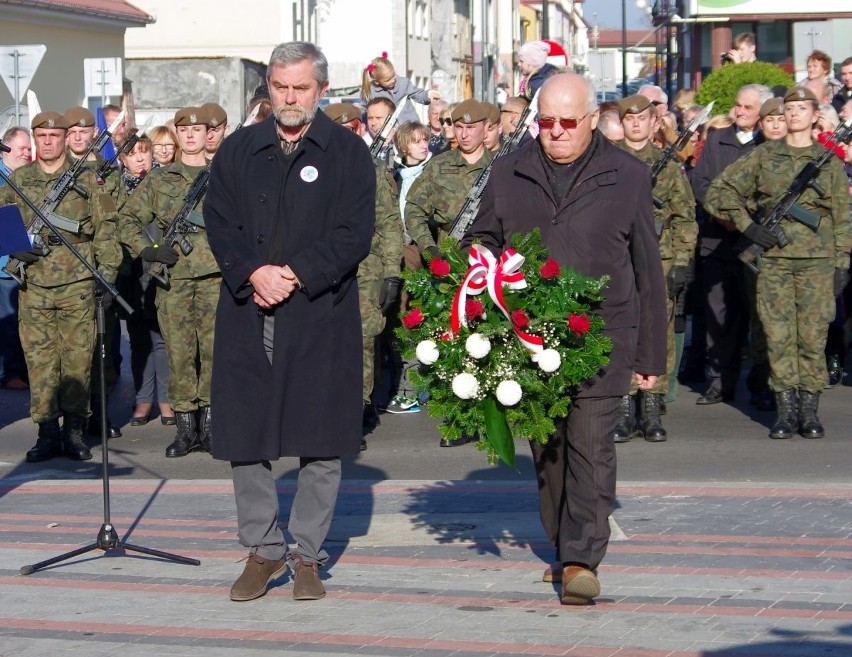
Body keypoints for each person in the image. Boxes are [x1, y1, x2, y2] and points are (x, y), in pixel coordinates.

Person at [463, 73, 667, 604]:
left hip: (603, 334)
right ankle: (562, 543)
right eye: (545, 121)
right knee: (548, 450)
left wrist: (651, 355)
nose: (554, 132)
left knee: (592, 449)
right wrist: (480, 260)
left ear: (594, 120)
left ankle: (581, 558)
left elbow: (649, 271)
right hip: (527, 337)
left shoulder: (628, 175)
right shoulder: (509, 170)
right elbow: (482, 235)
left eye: (566, 122)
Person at [204, 41, 375, 603]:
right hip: (247, 309)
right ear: (269, 88)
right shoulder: (237, 149)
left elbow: (355, 233)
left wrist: (296, 274)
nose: (290, 98)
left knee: (320, 437)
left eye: (301, 88)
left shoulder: (348, 153)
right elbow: (219, 222)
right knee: (245, 434)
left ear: (321, 89)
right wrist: (253, 272)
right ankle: (262, 549)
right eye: (280, 87)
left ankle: (305, 554)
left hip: (318, 311)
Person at [704, 86, 852, 439]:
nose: (795, 114)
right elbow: (718, 192)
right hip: (773, 262)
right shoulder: (763, 156)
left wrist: (842, 263)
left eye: (802, 108)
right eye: (790, 108)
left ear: (815, 115)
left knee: (813, 337)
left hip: (817, 262)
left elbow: (842, 217)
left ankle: (809, 412)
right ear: (782, 115)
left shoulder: (828, 162)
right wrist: (750, 228)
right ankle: (785, 413)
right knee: (778, 335)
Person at [0, 111, 121, 463]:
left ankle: (74, 431)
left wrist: (107, 277)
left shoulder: (89, 176)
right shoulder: (18, 179)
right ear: (36, 139)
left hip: (77, 285)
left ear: (67, 137)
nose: (49, 141)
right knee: (39, 363)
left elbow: (107, 229)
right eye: (42, 136)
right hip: (34, 284)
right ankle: (47, 432)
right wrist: (12, 245)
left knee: (77, 361)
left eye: (55, 135)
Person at [120, 107, 221, 458]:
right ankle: (184, 429)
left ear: (209, 134)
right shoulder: (160, 180)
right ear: (176, 134)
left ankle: (208, 428)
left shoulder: (223, 175)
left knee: (212, 354)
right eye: (185, 129)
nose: (191, 135)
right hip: (174, 280)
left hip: (214, 278)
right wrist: (149, 250)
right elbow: (127, 221)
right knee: (179, 354)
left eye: (198, 129)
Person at [611, 95, 696, 443]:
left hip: (658, 259)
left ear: (653, 122)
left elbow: (684, 218)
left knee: (656, 331)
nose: (635, 124)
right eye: (628, 118)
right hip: (618, 260)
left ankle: (652, 408)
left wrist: (682, 261)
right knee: (619, 331)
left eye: (641, 118)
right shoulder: (607, 163)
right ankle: (624, 408)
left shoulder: (668, 166)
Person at [323, 102, 403, 442]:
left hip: (366, 267)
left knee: (361, 341)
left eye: (352, 129)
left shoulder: (372, 169)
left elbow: (388, 223)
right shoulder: (310, 168)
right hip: (321, 266)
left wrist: (391, 273)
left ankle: (355, 413)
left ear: (359, 130)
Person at [691, 84, 772, 405]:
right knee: (718, 317)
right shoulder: (717, 140)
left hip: (756, 245)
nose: (739, 112)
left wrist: (747, 221)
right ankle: (718, 381)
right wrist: (727, 216)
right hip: (718, 240)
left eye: (747, 107)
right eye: (737, 105)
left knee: (760, 318)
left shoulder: (768, 144)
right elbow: (701, 184)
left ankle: (761, 384)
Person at [64, 105, 124, 439]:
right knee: (74, 352)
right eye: (70, 132)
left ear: (93, 134)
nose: (76, 137)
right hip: (70, 273)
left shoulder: (108, 171)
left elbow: (116, 218)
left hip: (104, 268)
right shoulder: (59, 171)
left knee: (105, 348)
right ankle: (75, 416)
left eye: (82, 131)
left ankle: (100, 415)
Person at [115, 135, 174, 427]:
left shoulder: (163, 182)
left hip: (159, 267)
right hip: (131, 270)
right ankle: (143, 400)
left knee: (162, 339)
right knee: (139, 340)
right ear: (123, 159)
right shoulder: (114, 188)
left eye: (145, 152)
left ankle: (166, 399)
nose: (140, 159)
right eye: (133, 154)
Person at [385, 121, 432, 415]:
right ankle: (394, 381)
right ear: (403, 145)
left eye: (425, 139)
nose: (423, 145)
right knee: (393, 316)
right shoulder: (395, 175)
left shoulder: (433, 172)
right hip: (394, 250)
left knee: (411, 317)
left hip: (415, 249)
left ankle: (412, 385)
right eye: (416, 141)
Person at [0, 126, 31, 391]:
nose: (27, 154)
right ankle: (9, 373)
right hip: (4, 264)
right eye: (22, 148)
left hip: (21, 261)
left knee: (20, 321)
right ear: (6, 148)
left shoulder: (21, 178)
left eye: (29, 149)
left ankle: (17, 370)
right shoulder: (2, 179)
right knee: (9, 322)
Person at [361, 53, 439, 125]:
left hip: (410, 127)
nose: (393, 80)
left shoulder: (403, 83)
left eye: (393, 75)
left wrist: (428, 95)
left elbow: (418, 94)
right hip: (387, 132)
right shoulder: (370, 92)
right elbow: (364, 112)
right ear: (377, 81)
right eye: (388, 80)